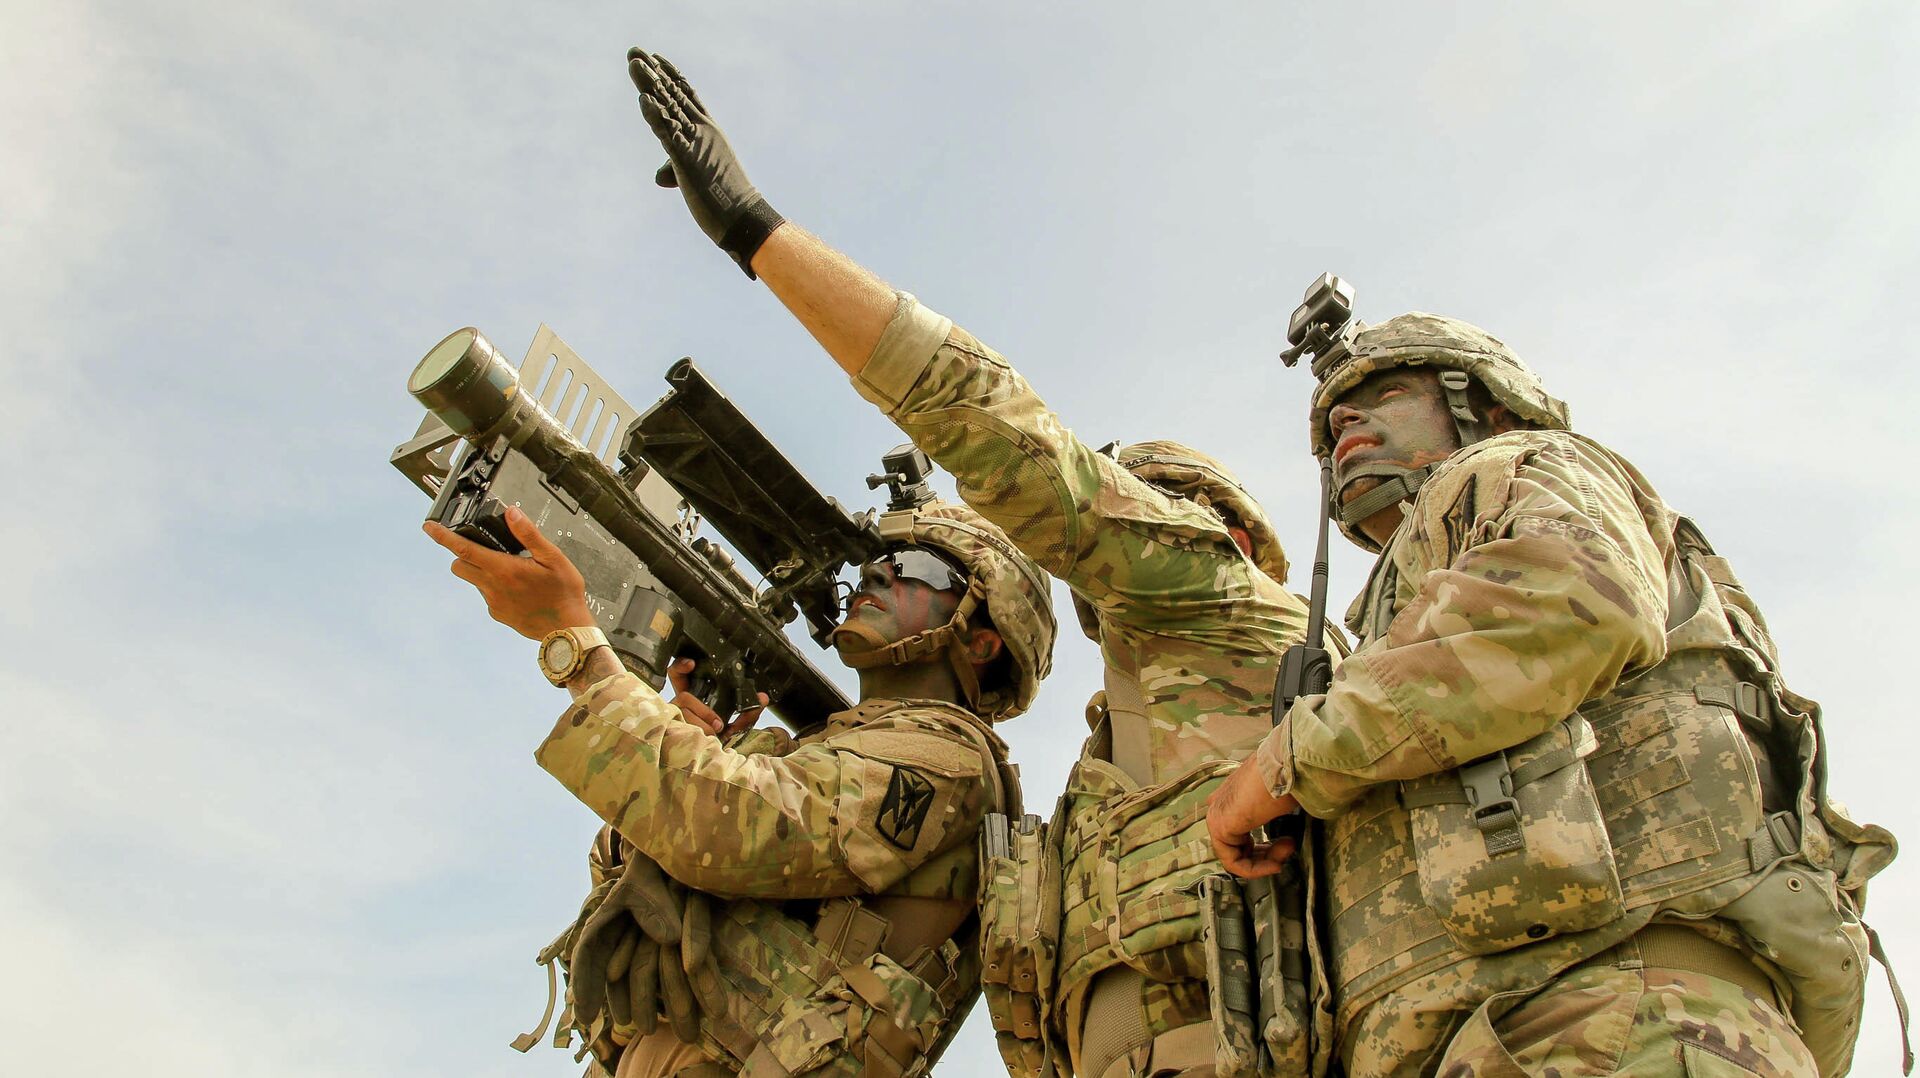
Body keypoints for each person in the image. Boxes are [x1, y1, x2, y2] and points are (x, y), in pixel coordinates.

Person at [622, 48, 1321, 1078]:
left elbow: (1024, 453)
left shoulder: (1243, 615)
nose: (1116, 524)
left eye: (1155, 506)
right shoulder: (1100, 780)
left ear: (1234, 540)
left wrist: (755, 231)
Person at [1205, 302, 1901, 1076]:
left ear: (1491, 407)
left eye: (1390, 393)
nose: (1346, 422)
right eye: (1336, 421)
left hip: (1610, 1014)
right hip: (1516, 1031)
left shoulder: (1517, 465)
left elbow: (1573, 601)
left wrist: (1286, 761)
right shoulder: (1409, 602)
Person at [424, 492, 1057, 1078]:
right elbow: (628, 872)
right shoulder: (818, 751)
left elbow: (727, 829)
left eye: (919, 568)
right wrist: (685, 740)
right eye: (877, 562)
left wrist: (578, 648)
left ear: (981, 643)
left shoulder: (950, 760)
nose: (878, 575)